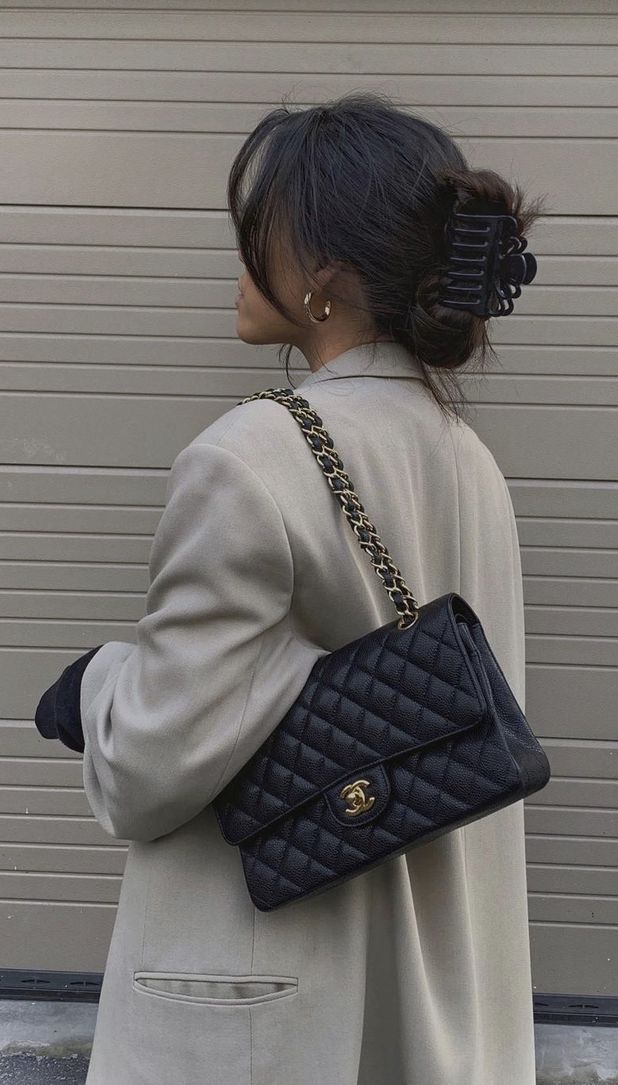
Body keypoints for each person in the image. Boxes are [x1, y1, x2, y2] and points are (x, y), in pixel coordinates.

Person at [35, 92, 545, 1085]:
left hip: (269, 1007)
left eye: (254, 236)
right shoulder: (467, 456)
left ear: (322, 274)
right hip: (446, 997)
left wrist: (98, 682)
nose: (237, 264)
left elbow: (148, 764)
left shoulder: (251, 457)